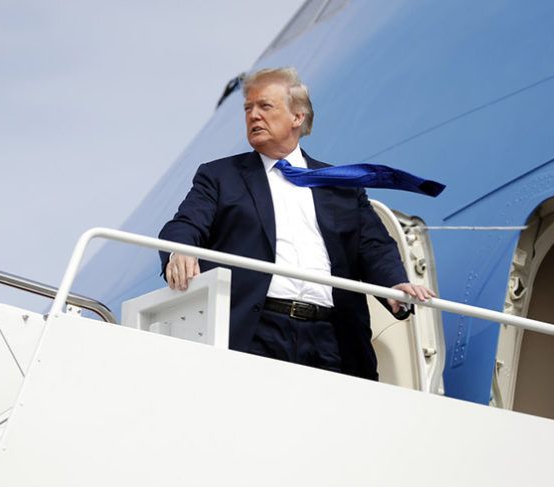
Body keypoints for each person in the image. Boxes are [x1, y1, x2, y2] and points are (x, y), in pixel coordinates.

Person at [158, 67, 434, 380]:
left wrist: (393, 284)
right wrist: (179, 251)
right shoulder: (220, 176)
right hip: (255, 331)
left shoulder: (340, 183)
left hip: (333, 336)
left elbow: (372, 245)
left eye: (265, 106)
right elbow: (185, 224)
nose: (253, 116)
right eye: (248, 108)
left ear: (297, 117)